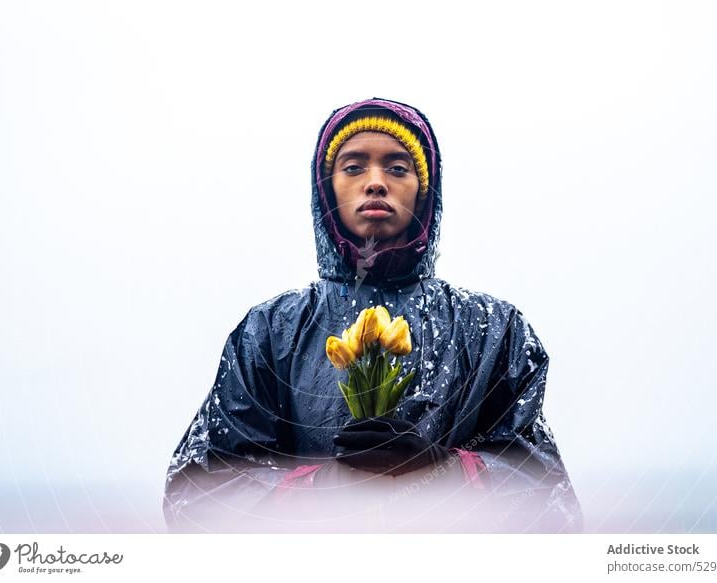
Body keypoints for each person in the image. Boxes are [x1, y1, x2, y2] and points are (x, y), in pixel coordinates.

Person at [162, 97, 583, 533]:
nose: (376, 182)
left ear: (424, 189)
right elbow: (200, 497)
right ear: (327, 188)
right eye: (353, 167)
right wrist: (322, 488)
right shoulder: (271, 330)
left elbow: (549, 498)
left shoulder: (495, 330)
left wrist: (452, 473)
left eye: (398, 168)